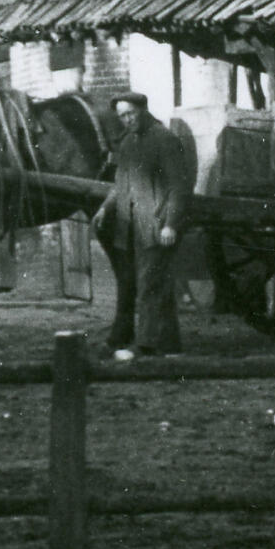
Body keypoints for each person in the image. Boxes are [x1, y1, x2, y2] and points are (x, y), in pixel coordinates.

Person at [94, 91, 196, 357]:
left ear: (143, 110)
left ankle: (146, 345)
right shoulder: (128, 143)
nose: (127, 120)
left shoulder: (165, 139)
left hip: (158, 223)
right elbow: (120, 183)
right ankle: (170, 346)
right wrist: (105, 208)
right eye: (122, 116)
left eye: (131, 114)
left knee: (149, 284)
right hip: (134, 224)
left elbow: (179, 187)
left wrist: (171, 224)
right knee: (157, 283)